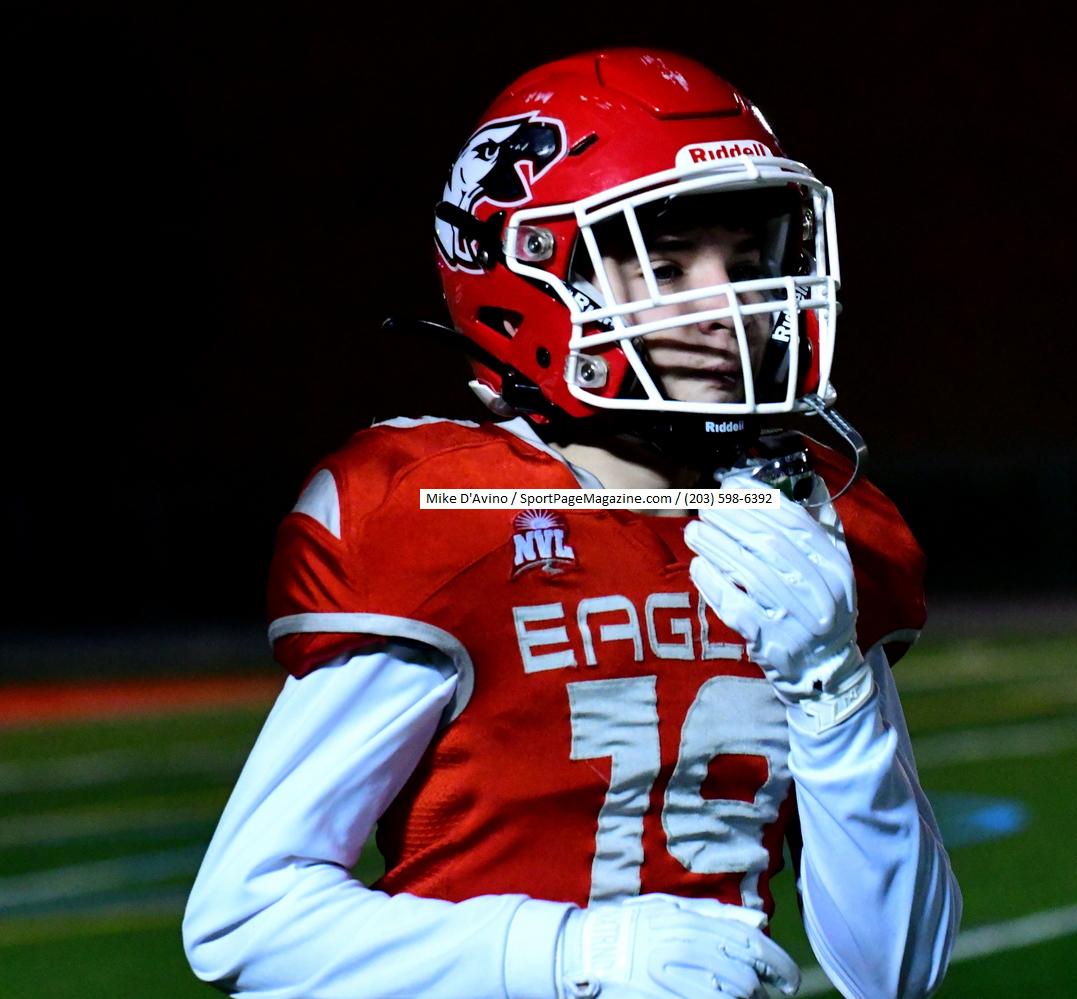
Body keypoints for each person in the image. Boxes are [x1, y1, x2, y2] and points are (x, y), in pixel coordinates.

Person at [184, 48, 961, 998]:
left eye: (748, 263)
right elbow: (246, 917)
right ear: (533, 280)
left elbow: (895, 971)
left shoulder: (807, 525)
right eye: (666, 268)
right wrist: (572, 957)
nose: (729, 308)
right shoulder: (449, 518)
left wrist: (833, 687)